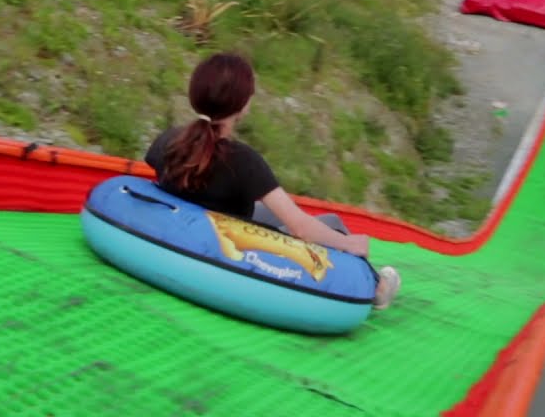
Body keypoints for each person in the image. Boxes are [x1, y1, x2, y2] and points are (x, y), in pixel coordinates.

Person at [144, 51, 403, 310]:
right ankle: (377, 286)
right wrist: (349, 243)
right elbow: (301, 228)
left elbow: (164, 172)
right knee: (330, 224)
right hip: (233, 236)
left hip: (203, 218)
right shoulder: (243, 162)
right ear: (242, 104)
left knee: (270, 210)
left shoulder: (169, 141)